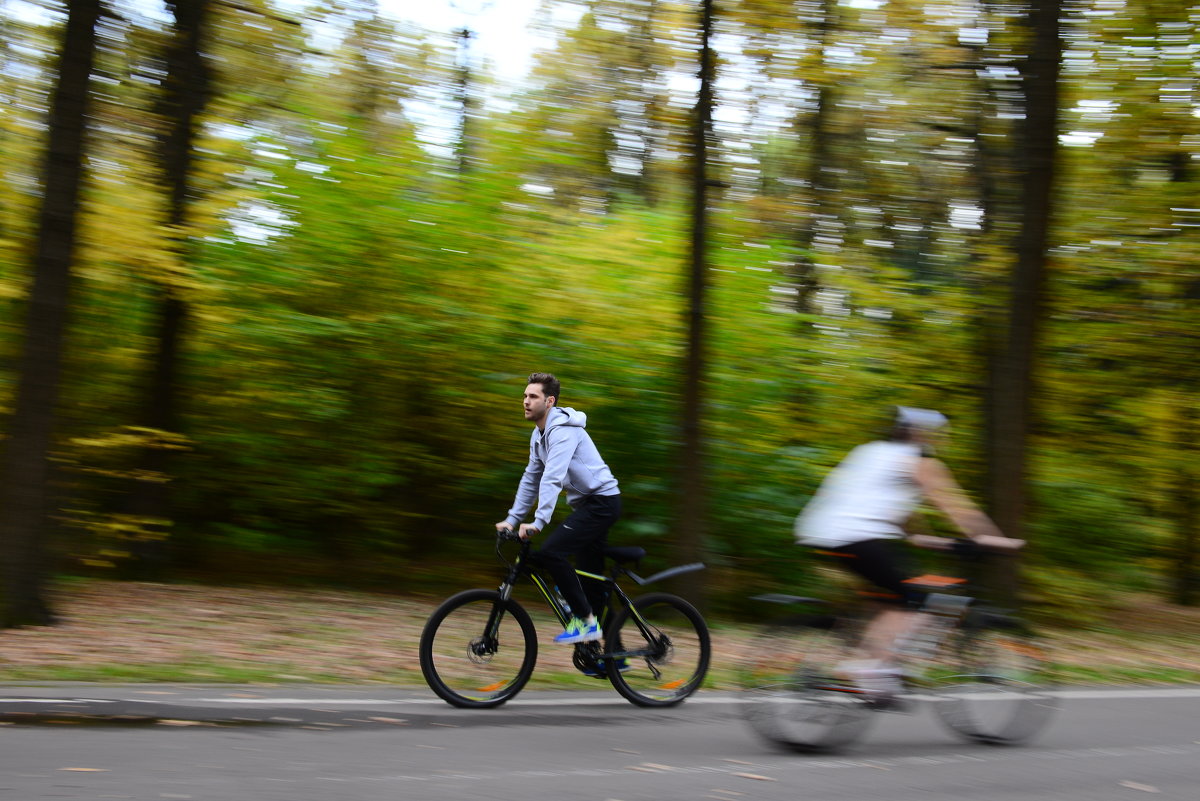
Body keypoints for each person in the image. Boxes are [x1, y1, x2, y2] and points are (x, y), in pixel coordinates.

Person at [794, 406, 1024, 700]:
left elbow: (907, 527)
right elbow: (956, 507)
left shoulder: (870, 452)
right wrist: (994, 540)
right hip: (857, 536)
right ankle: (868, 669)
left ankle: (873, 666)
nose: (942, 441)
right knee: (914, 599)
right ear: (922, 434)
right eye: (940, 435)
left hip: (818, 534)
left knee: (887, 596)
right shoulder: (921, 462)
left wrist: (939, 541)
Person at [496, 373, 622, 645]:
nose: (525, 402)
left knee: (552, 553)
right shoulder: (538, 435)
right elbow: (531, 477)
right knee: (591, 582)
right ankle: (615, 658)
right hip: (589, 505)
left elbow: (552, 476)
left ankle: (587, 624)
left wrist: (538, 522)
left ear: (549, 401)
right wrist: (512, 518)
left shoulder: (563, 431)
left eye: (533, 397)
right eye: (525, 396)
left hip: (602, 502)